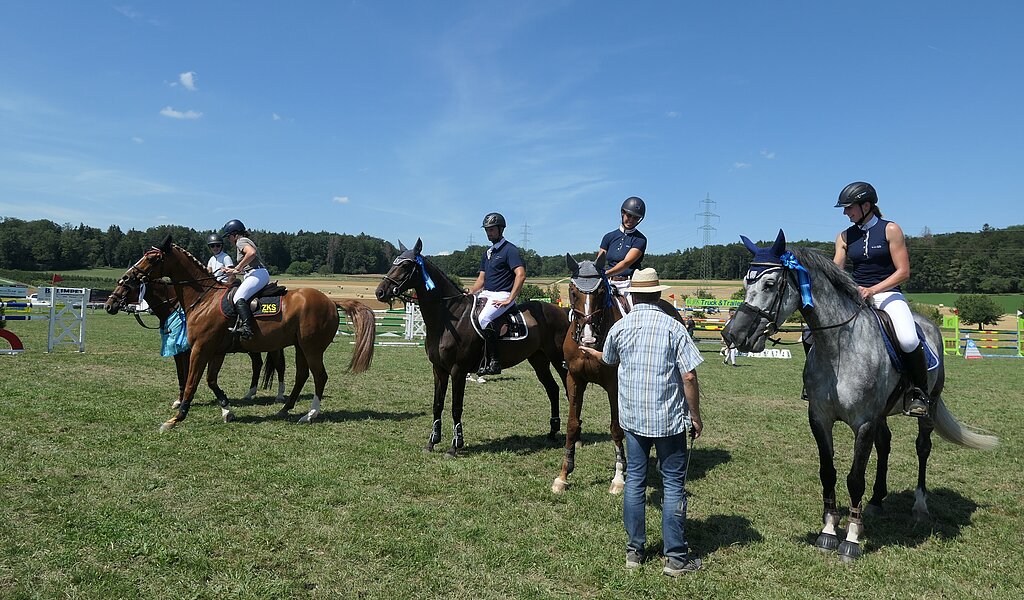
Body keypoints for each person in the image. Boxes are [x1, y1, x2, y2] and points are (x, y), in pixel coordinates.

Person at [578, 268, 704, 576]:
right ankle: (675, 557)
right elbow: (688, 375)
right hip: (668, 420)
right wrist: (696, 415)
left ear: (633, 295)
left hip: (632, 420)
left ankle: (634, 552)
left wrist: (594, 351)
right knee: (673, 483)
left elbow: (609, 360)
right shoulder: (674, 327)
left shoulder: (621, 327)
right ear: (659, 294)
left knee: (635, 481)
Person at [833, 181, 929, 417]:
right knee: (813, 333)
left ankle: (918, 393)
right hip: (856, 295)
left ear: (866, 205)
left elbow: (903, 272)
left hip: (888, 294)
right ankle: (815, 383)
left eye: (849, 208)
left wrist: (873, 290)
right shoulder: (844, 236)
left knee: (907, 339)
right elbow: (837, 269)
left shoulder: (891, 229)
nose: (846, 213)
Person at [467, 212, 525, 376]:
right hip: (486, 293)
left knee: (484, 319)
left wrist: (510, 299)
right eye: (487, 230)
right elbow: (481, 279)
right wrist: (470, 292)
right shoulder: (487, 253)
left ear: (501, 229)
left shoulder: (510, 250)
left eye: (491, 229)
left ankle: (494, 361)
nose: (488, 233)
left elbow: (520, 275)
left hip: (502, 295)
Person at [220, 219, 269, 340]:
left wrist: (237, 267)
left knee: (238, 297)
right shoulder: (243, 241)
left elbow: (251, 253)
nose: (229, 239)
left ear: (235, 234)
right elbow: (247, 267)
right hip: (255, 273)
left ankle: (247, 328)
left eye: (228, 236)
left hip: (257, 274)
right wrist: (231, 270)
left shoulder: (240, 241)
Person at [596, 196, 648, 311]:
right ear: (622, 213)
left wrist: (606, 273)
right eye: (629, 215)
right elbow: (599, 260)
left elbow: (626, 263)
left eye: (635, 218)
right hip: (608, 282)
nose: (631, 220)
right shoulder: (608, 237)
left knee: (633, 312)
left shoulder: (640, 240)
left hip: (628, 285)